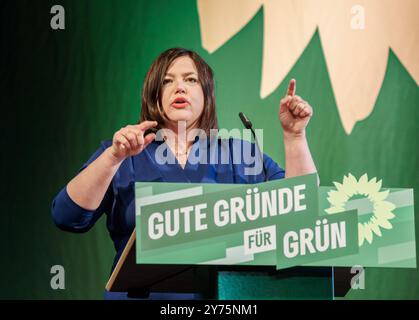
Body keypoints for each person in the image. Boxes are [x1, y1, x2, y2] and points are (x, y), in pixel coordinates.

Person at [51, 47, 317, 300]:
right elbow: (67, 216)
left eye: (191, 80)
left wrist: (295, 137)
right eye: (167, 81)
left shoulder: (240, 154)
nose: (179, 87)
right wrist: (112, 158)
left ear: (207, 94)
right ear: (154, 94)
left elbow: (300, 211)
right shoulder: (122, 153)